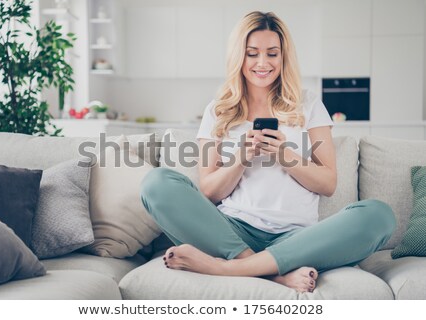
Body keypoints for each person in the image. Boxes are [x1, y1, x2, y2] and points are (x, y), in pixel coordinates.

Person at [140, 11, 395, 293]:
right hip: (233, 231)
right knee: (157, 182)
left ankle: (229, 268)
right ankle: (270, 273)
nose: (263, 63)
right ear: (239, 57)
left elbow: (328, 183)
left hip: (297, 238)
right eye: (252, 54)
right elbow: (209, 191)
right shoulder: (219, 110)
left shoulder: (308, 104)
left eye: (272, 53)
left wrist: (285, 155)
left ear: (283, 57)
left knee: (379, 215)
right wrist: (240, 158)